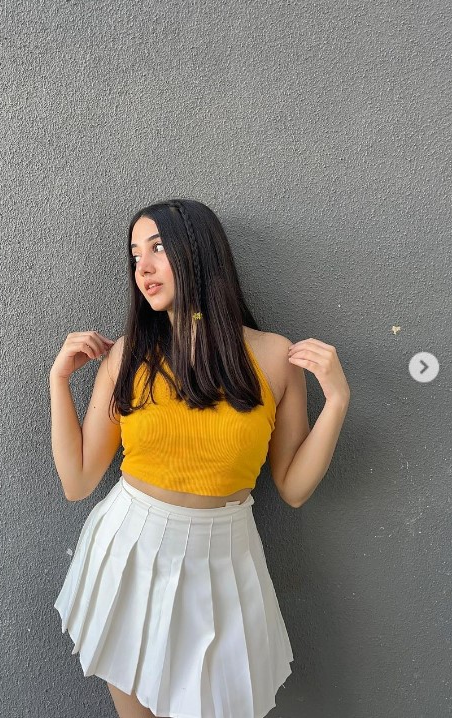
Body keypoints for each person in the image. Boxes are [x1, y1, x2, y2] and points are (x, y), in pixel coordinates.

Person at [49, 199, 351, 718]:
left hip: (224, 561)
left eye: (158, 248)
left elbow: (293, 488)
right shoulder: (127, 356)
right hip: (130, 552)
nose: (143, 267)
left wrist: (338, 401)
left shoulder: (274, 356)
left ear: (199, 253)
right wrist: (58, 381)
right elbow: (77, 482)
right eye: (135, 255)